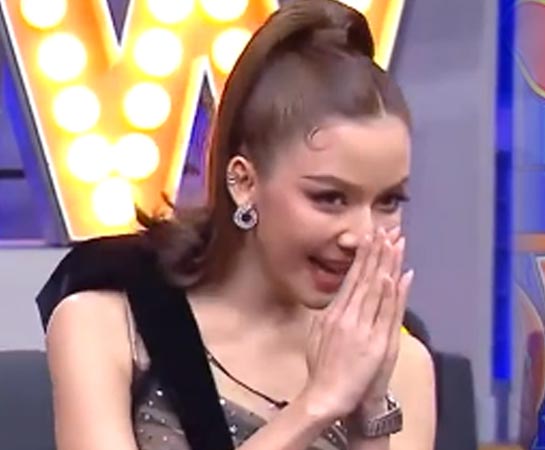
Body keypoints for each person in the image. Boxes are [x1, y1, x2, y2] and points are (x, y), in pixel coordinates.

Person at [38, 1, 435, 449]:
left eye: (388, 201)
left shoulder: (403, 365)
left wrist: (368, 415)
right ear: (245, 183)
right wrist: (318, 404)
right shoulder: (106, 323)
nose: (361, 235)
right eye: (329, 198)